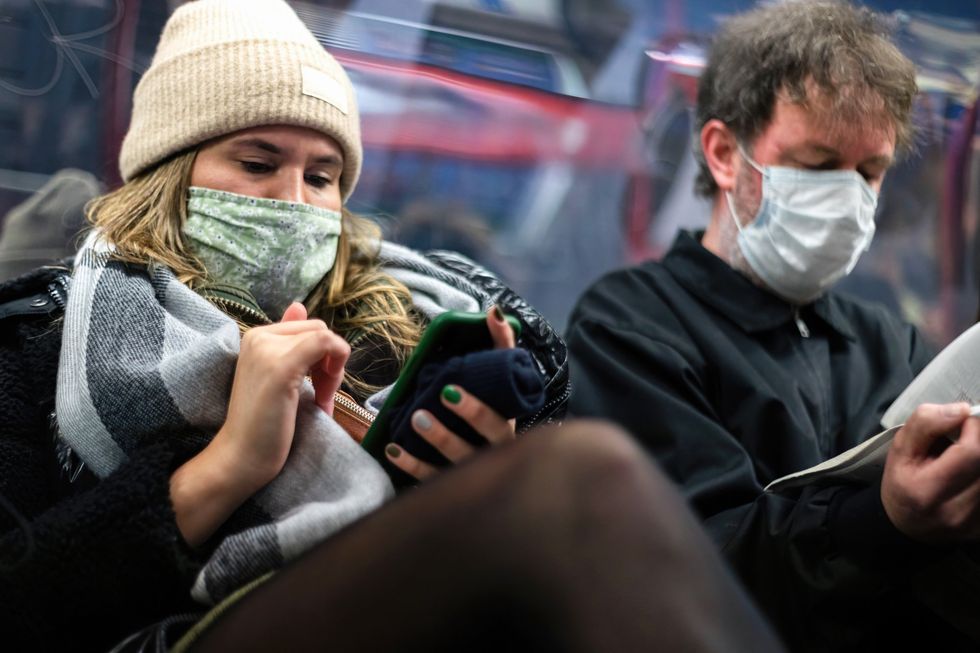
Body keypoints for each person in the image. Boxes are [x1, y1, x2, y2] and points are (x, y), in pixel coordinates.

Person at [0, 1, 785, 651]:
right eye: (256, 163)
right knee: (582, 472)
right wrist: (228, 465)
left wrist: (480, 483)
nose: (295, 200)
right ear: (167, 175)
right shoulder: (46, 341)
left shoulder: (407, 321)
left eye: (322, 175)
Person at [566, 2, 980, 651]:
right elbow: (688, 570)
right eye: (817, 165)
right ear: (724, 154)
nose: (848, 199)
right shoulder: (630, 328)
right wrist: (881, 518)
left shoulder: (886, 342)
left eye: (869, 172)